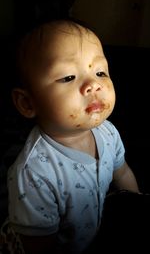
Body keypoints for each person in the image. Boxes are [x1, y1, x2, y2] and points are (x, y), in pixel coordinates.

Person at [5, 19, 140, 254]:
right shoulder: (34, 173)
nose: (93, 85)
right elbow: (39, 247)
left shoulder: (108, 132)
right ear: (27, 102)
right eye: (68, 77)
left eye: (100, 72)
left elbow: (123, 172)